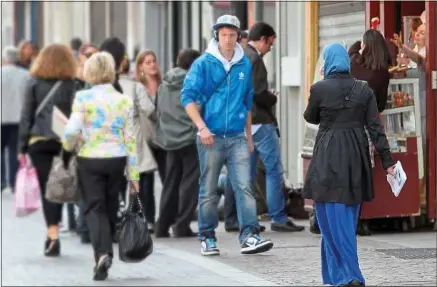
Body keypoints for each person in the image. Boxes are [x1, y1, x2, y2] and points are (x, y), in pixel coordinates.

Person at [303, 43, 396, 287]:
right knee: (347, 218)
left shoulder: (319, 88)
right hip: (355, 156)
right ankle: (336, 276)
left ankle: (350, 275)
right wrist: (388, 162)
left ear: (327, 62)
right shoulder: (363, 89)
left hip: (327, 154)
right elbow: (375, 128)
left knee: (327, 218)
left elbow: (310, 116)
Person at [181, 14, 274, 256]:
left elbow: (247, 103)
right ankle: (207, 236)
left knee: (244, 187)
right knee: (209, 189)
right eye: (224, 35)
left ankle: (250, 236)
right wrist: (202, 127)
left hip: (237, 137)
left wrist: (250, 138)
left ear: (239, 36)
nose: (229, 40)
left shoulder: (244, 64)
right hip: (210, 137)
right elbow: (188, 99)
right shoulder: (203, 63)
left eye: (233, 35)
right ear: (217, 36)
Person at [63, 52, 139, 281]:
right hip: (117, 159)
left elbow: (70, 131)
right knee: (110, 204)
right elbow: (130, 139)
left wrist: (69, 146)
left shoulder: (83, 98)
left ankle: (102, 253)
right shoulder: (124, 100)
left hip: (90, 159)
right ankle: (105, 251)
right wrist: (134, 176)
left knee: (94, 208)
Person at [243, 21, 304, 232]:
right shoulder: (255, 60)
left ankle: (248, 221)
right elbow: (259, 94)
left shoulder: (239, 55)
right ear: (262, 40)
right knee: (274, 170)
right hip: (260, 121)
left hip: (245, 123)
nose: (270, 48)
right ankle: (278, 217)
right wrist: (273, 99)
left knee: (248, 174)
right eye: (270, 43)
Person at [18, 44, 77, 257]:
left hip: (39, 142)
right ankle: (54, 233)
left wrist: (21, 147)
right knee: (59, 188)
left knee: (47, 190)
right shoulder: (71, 84)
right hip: (63, 142)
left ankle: (52, 235)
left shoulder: (32, 82)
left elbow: (26, 116)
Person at [154, 48, 201, 238]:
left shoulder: (163, 83)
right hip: (189, 138)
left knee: (170, 183)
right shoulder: (192, 82)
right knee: (189, 184)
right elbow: (197, 107)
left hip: (170, 140)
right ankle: (182, 225)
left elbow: (159, 110)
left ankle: (162, 225)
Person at [134, 50, 166, 233]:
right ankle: (149, 219)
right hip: (145, 140)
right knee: (145, 181)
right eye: (148, 62)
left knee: (167, 178)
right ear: (141, 67)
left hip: (163, 138)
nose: (152, 64)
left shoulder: (164, 85)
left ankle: (166, 217)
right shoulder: (138, 87)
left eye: (154, 61)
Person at [1, 46, 30, 192]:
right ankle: (13, 182)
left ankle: (1, 180)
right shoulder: (25, 75)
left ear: (4, 58)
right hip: (17, 118)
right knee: (14, 150)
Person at [349, 29, 391, 113]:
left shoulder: (354, 61)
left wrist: (363, 42)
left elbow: (352, 50)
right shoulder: (384, 73)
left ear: (364, 46)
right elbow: (381, 106)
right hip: (368, 118)